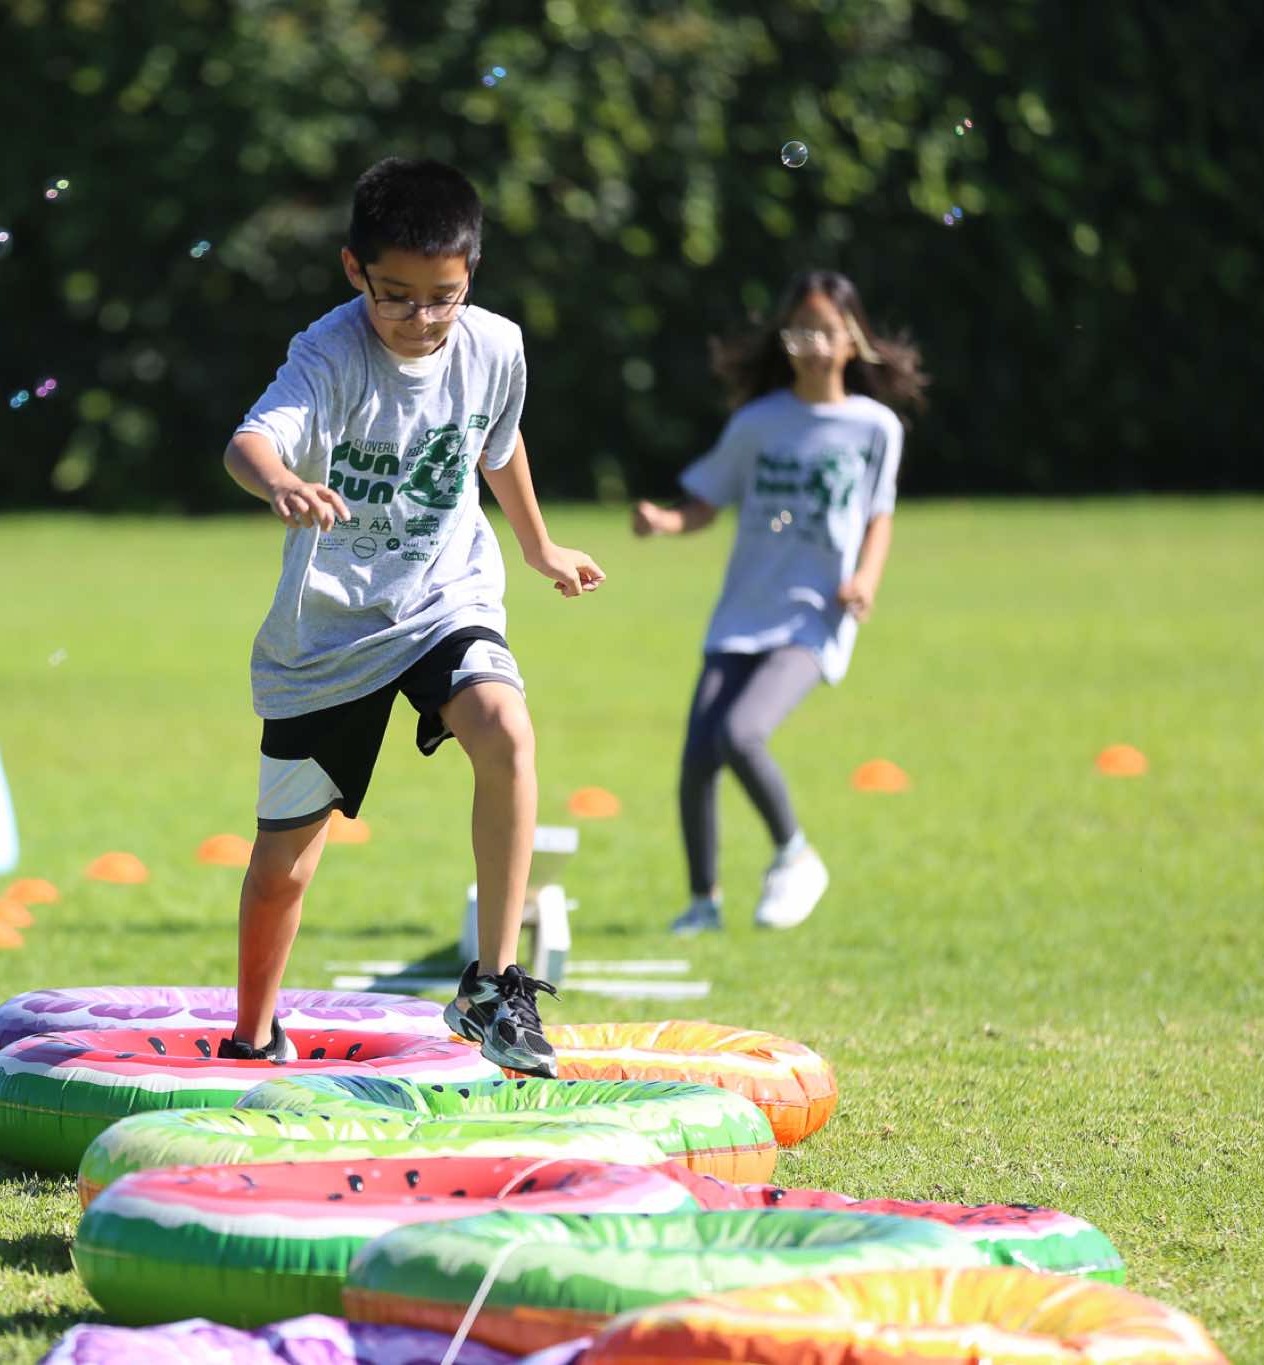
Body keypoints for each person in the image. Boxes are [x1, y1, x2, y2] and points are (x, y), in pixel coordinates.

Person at [220, 157, 605, 1075]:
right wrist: (279, 482)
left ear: (471, 274)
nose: (422, 319)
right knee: (283, 868)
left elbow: (496, 446)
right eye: (396, 296)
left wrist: (539, 546)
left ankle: (493, 986)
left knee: (506, 728)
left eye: (444, 298)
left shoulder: (496, 346)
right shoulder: (329, 353)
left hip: (444, 596)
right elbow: (250, 440)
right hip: (331, 631)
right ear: (355, 269)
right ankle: (254, 1033)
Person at [633, 269, 926, 935]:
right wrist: (665, 521)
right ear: (785, 340)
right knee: (698, 756)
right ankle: (704, 904)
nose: (815, 345)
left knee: (741, 733)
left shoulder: (875, 427)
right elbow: (708, 501)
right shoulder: (757, 423)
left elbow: (879, 515)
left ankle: (795, 855)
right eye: (802, 331)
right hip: (743, 611)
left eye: (828, 331)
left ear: (853, 339)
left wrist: (866, 579)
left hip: (814, 615)